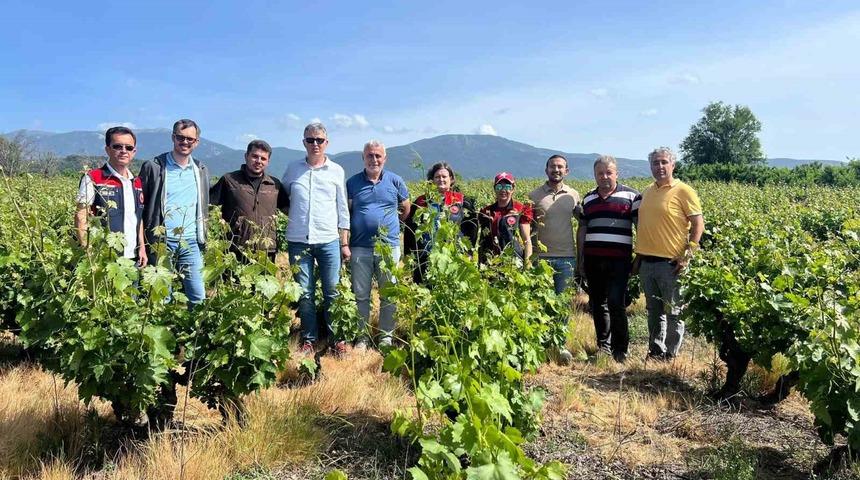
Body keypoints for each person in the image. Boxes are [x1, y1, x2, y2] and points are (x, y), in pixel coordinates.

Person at [282, 122, 350, 357]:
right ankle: (309, 339)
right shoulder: (293, 169)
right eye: (310, 140)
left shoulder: (336, 171)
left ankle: (336, 339)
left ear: (326, 143)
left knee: (333, 291)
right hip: (298, 240)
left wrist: (344, 242)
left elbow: (343, 208)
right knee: (305, 293)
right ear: (304, 143)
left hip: (328, 239)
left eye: (319, 140)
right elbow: (284, 199)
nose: (315, 144)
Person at [635, 147, 704, 361]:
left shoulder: (684, 190)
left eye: (664, 162)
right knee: (654, 312)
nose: (660, 166)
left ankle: (671, 354)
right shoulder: (647, 191)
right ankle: (656, 351)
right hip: (647, 263)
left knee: (674, 313)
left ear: (673, 165)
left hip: (671, 263)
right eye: (656, 163)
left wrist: (687, 255)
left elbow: (698, 224)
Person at [346, 140, 410, 349]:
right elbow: (347, 212)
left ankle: (385, 337)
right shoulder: (352, 183)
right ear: (363, 158)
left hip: (388, 246)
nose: (374, 159)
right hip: (359, 246)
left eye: (377, 155)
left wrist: (392, 226)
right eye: (370, 155)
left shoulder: (395, 181)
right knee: (361, 294)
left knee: (388, 293)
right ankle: (362, 337)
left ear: (385, 158)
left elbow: (405, 208)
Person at [139, 119, 211, 305]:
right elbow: (140, 206)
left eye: (190, 139)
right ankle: (165, 328)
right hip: (162, 241)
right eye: (180, 137)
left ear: (197, 142)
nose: (185, 142)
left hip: (191, 241)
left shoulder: (200, 169)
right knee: (162, 295)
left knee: (198, 295)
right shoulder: (154, 167)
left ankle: (195, 332)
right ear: (173, 137)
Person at [576, 155, 640, 363]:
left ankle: (621, 349)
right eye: (600, 173)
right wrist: (581, 258)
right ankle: (604, 346)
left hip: (619, 261)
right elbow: (583, 228)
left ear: (616, 173)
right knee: (597, 304)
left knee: (615, 302)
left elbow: (641, 228)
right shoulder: (588, 199)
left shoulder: (632, 197)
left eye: (608, 172)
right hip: (594, 260)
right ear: (595, 175)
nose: (604, 177)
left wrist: (638, 257)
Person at [75, 126, 147, 267]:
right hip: (103, 257)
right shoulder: (92, 178)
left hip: (133, 258)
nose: (123, 151)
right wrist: (88, 251)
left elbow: (137, 217)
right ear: (108, 149)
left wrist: (142, 247)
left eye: (128, 147)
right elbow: (80, 216)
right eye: (117, 146)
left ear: (134, 151)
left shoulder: (137, 182)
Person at [209, 139, 289, 260]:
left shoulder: (274, 184)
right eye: (255, 156)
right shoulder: (229, 180)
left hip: (266, 250)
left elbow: (289, 210)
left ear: (268, 161)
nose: (258, 161)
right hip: (235, 248)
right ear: (246, 156)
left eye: (263, 158)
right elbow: (208, 205)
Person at [403, 162, 478, 283]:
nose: (441, 179)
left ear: (451, 179)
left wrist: (468, 253)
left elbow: (472, 228)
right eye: (437, 177)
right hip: (425, 258)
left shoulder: (462, 201)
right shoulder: (422, 201)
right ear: (431, 180)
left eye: (444, 176)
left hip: (454, 258)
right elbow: (410, 229)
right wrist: (408, 254)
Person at [528, 154, 581, 294]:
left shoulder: (573, 195)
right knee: (540, 304)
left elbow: (583, 223)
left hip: (567, 258)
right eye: (552, 166)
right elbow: (527, 227)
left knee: (563, 304)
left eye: (560, 166)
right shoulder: (534, 196)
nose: (556, 169)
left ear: (566, 171)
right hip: (540, 258)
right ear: (546, 170)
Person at [478, 172, 533, 263]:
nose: (503, 190)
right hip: (489, 262)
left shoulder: (521, 210)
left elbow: (527, 240)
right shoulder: (486, 211)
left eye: (507, 187)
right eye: (499, 187)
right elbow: (482, 241)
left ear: (513, 189)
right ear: (494, 189)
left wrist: (527, 264)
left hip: (513, 263)